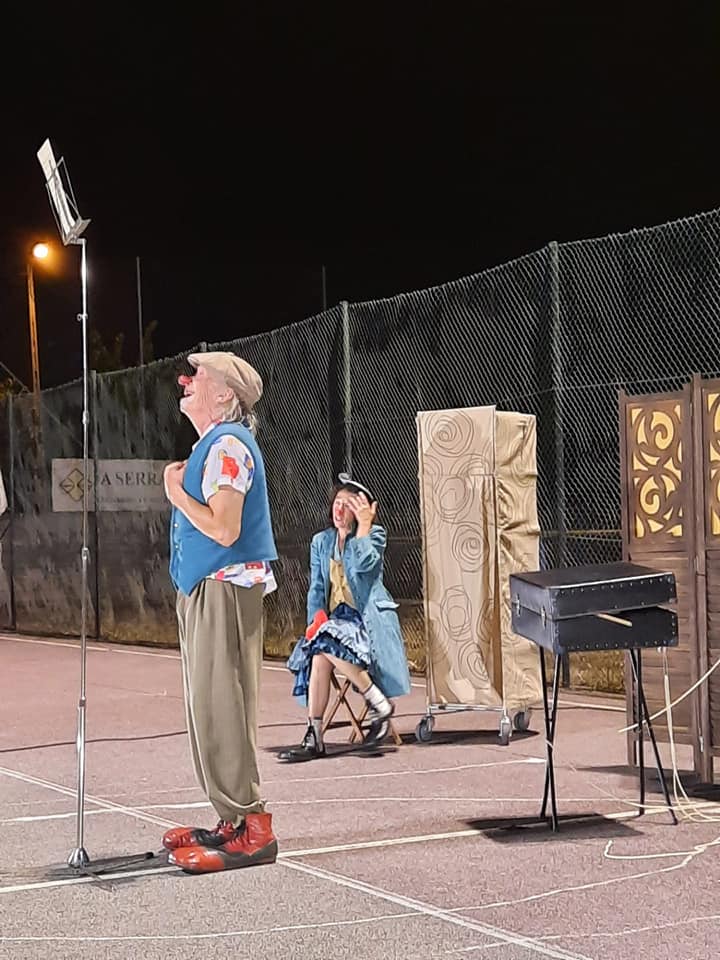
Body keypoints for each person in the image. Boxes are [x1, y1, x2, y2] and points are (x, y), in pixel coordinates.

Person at [160, 351, 278, 873]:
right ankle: (231, 818)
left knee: (224, 705)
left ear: (226, 393)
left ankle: (253, 827)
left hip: (225, 587)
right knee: (208, 707)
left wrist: (174, 492)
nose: (187, 379)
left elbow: (225, 529)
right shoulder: (212, 446)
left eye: (200, 375)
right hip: (207, 587)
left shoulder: (229, 445)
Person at [279, 474, 411, 762]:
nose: (339, 510)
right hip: (334, 622)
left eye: (347, 505)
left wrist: (363, 528)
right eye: (337, 503)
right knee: (320, 648)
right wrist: (316, 617)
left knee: (324, 645)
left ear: (359, 512)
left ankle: (325, 730)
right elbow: (316, 588)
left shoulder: (374, 535)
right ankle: (326, 729)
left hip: (365, 622)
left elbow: (366, 567)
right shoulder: (321, 541)